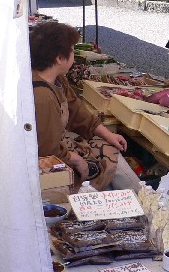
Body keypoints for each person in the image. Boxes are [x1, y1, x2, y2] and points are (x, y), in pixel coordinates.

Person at [30, 22, 139, 192]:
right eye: (72, 50)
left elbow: (78, 112)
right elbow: (46, 149)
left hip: (59, 147)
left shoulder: (58, 80)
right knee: (106, 163)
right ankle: (139, 199)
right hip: (47, 162)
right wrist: (74, 158)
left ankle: (141, 197)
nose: (73, 55)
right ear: (60, 58)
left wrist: (108, 134)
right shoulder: (42, 96)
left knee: (110, 146)